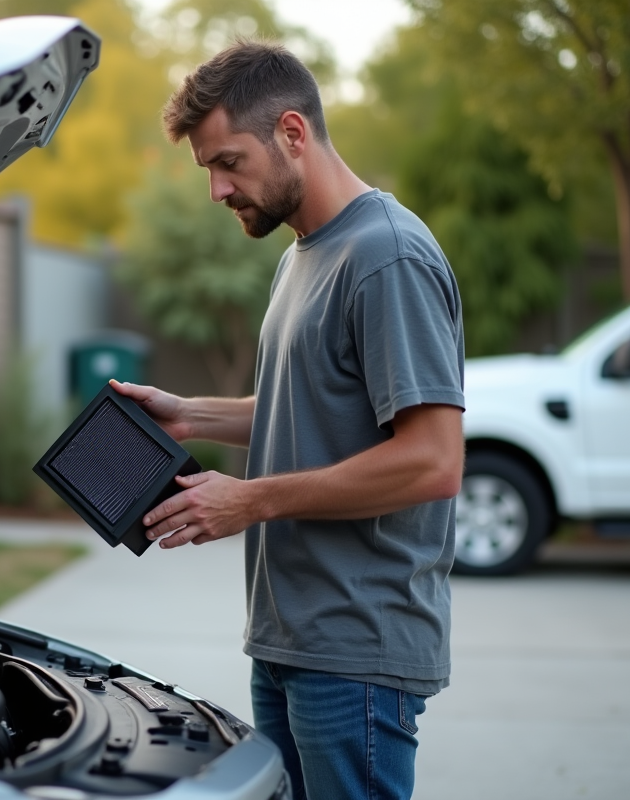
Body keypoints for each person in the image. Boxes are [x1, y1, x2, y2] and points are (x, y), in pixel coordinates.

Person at [110, 40, 466, 800]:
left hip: (356, 648)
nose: (216, 189)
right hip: (288, 638)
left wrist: (250, 498)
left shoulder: (387, 255)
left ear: (293, 133)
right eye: (208, 167)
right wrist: (190, 415)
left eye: (229, 161)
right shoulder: (305, 253)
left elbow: (433, 460)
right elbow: (310, 405)